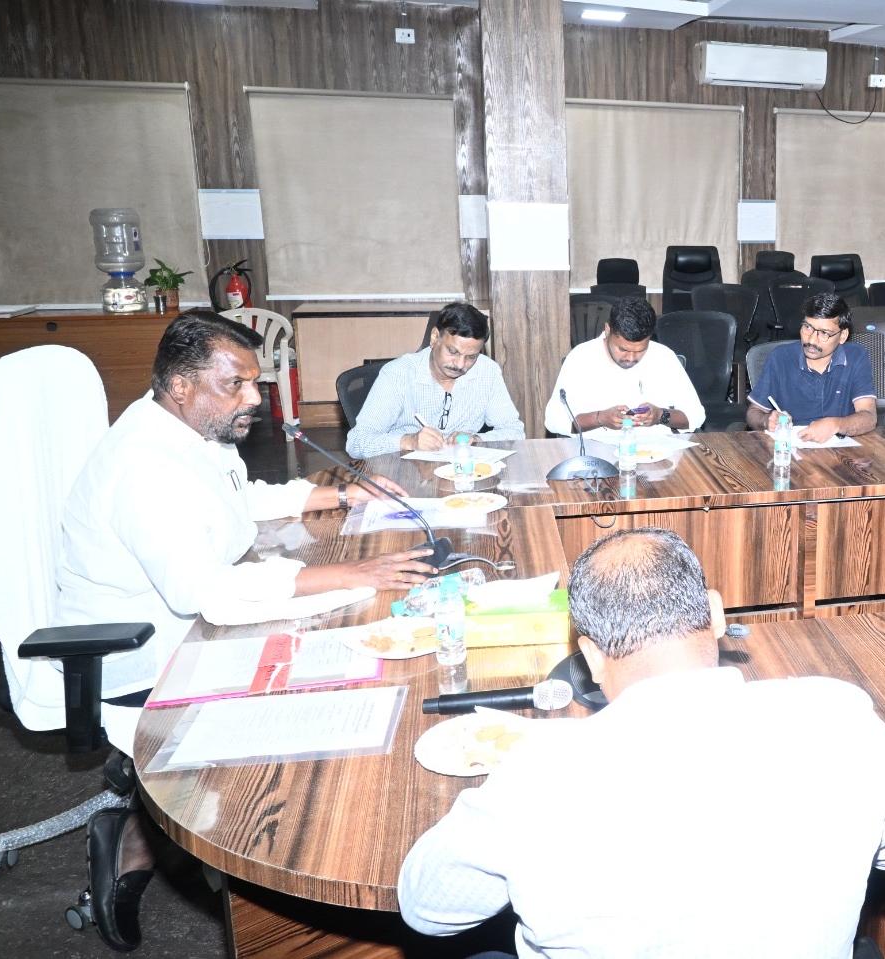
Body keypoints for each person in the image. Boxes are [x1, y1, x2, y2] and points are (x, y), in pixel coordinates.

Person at [51, 310, 436, 951]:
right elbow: (205, 591)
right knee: (324, 710)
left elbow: (236, 502)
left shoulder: (191, 432)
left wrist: (341, 495)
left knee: (348, 654)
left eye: (253, 381)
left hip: (192, 629)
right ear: (181, 386)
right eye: (236, 384)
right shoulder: (144, 466)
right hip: (146, 653)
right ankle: (159, 840)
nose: (254, 397)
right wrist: (349, 572)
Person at [398, 528, 885, 958]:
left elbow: (427, 910)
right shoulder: (838, 714)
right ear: (716, 614)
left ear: (590, 656)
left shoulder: (537, 775)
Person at [345, 301, 525, 457]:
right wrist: (409, 441)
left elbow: (515, 431)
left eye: (471, 357)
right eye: (453, 352)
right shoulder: (398, 374)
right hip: (404, 468)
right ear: (434, 338)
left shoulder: (487, 371)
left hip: (461, 468)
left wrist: (477, 439)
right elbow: (356, 443)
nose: (460, 364)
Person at [544, 295, 705, 435]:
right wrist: (600, 418)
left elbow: (696, 416)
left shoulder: (664, 357)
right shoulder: (581, 358)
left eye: (640, 350)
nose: (631, 358)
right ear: (608, 330)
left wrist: (660, 416)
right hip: (597, 451)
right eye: (623, 349)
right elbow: (553, 420)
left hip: (656, 451)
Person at [746, 292, 878, 441]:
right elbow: (753, 412)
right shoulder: (781, 358)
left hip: (840, 448)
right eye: (807, 327)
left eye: (824, 333)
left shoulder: (855, 357)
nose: (812, 340)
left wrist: (835, 425)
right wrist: (766, 420)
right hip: (790, 447)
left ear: (842, 336)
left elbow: (869, 417)